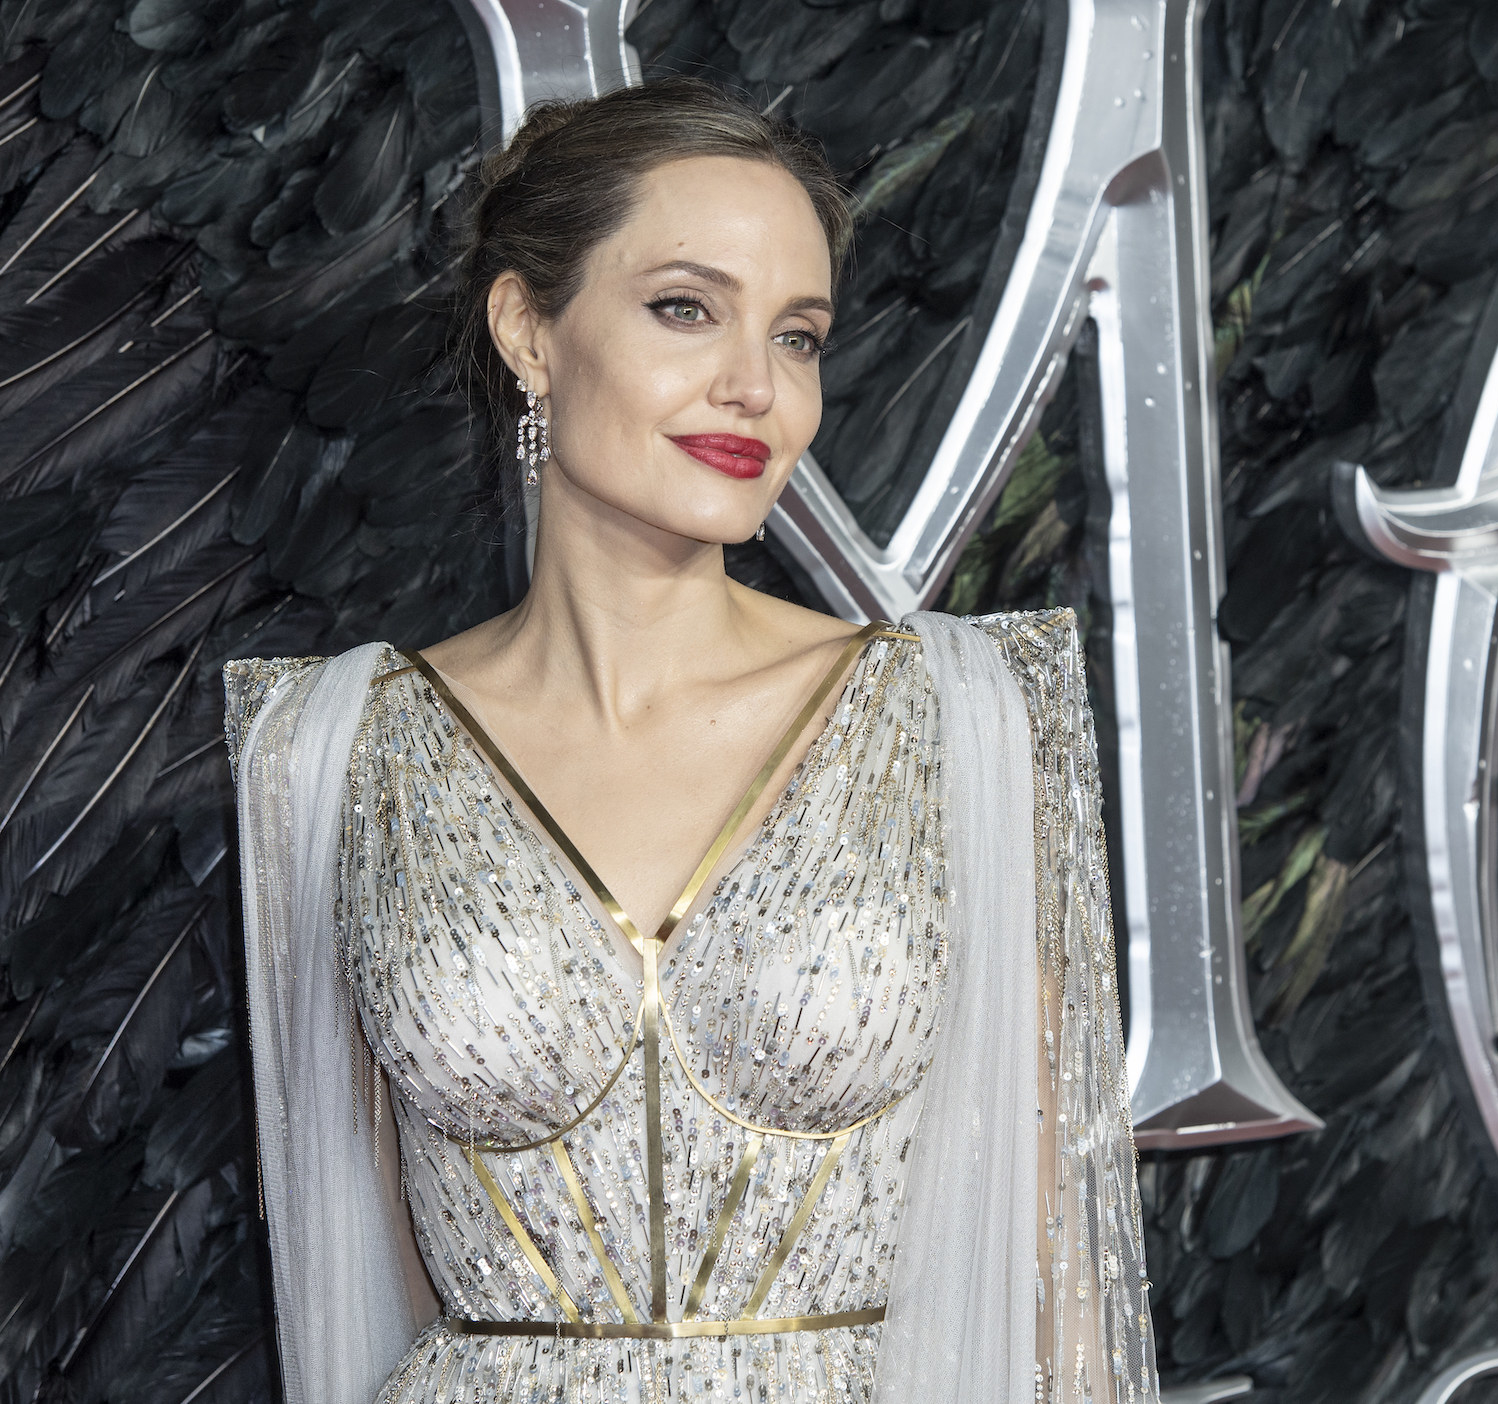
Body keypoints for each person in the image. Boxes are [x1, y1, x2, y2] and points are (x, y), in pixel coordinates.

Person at [224, 78, 1156, 1404]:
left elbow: (1063, 1281)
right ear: (527, 330)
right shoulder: (328, 749)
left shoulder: (963, 716)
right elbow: (350, 1270)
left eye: (798, 336)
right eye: (684, 309)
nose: (753, 386)